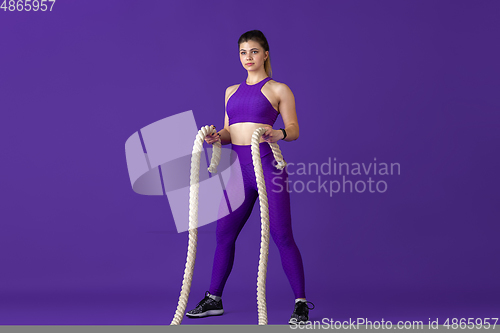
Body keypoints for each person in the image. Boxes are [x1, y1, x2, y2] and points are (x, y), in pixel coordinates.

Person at [185, 30, 314, 325]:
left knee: (282, 236)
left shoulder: (279, 89)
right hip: (238, 172)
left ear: (265, 54)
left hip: (268, 168)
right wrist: (218, 136)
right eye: (243, 52)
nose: (248, 58)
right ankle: (214, 299)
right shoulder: (231, 91)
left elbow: (293, 129)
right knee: (223, 235)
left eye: (254, 52)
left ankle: (301, 304)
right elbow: (231, 131)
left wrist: (277, 132)